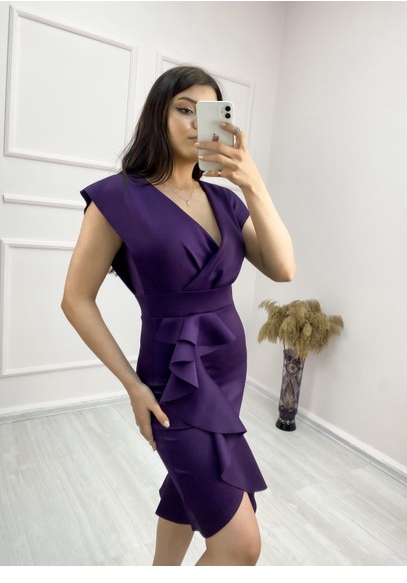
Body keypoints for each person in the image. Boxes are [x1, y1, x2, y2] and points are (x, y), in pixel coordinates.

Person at [61, 65, 296, 566]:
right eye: (183, 109)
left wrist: (253, 182)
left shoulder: (226, 201)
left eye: (208, 113)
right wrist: (132, 385)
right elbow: (75, 299)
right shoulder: (117, 198)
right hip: (172, 378)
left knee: (186, 489)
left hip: (227, 369)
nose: (195, 122)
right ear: (158, 115)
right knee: (241, 545)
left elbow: (283, 269)